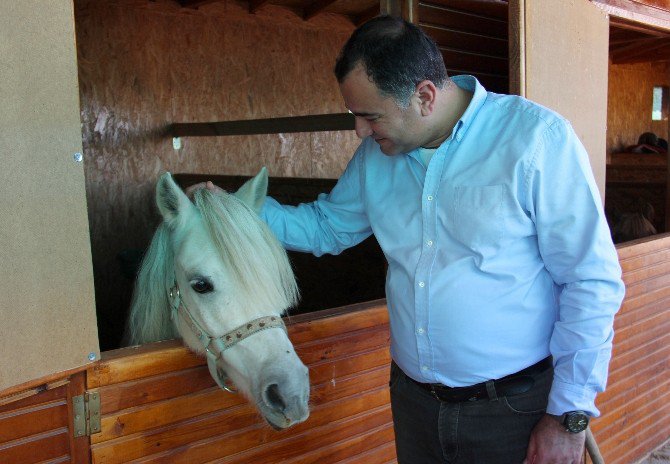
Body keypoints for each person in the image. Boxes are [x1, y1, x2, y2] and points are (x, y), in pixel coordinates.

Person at [191, 15, 625, 464]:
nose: (360, 131)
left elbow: (590, 281)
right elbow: (326, 227)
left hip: (514, 410)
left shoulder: (536, 140)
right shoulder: (375, 158)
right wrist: (237, 209)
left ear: (424, 96)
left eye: (369, 116)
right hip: (415, 404)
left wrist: (569, 416)